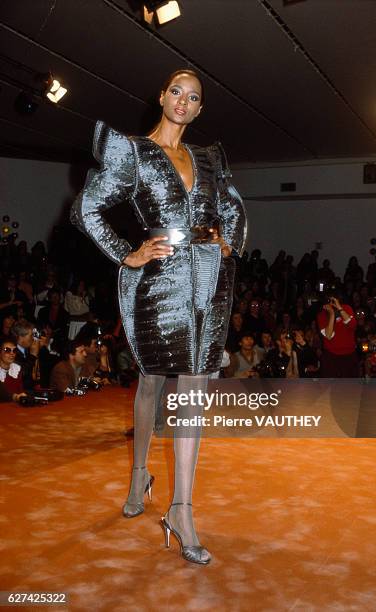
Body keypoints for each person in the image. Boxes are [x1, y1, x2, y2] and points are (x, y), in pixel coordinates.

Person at [71, 69, 247, 565]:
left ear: (199, 109)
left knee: (194, 389)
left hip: (208, 283)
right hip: (158, 284)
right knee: (151, 381)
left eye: (193, 97)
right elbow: (87, 209)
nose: (183, 102)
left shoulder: (208, 158)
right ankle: (138, 476)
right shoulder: (133, 152)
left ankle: (182, 509)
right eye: (176, 91)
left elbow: (232, 208)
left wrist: (228, 241)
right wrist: (125, 253)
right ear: (161, 96)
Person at [317, 295, 358, 377]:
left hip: (349, 355)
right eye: (328, 301)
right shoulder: (321, 315)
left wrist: (340, 308)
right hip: (331, 356)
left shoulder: (347, 308)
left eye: (333, 300)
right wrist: (331, 314)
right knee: (330, 386)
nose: (331, 303)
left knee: (350, 386)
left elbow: (352, 325)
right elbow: (328, 335)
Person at [0, 337, 27, 402]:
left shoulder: (17, 368)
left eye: (14, 350)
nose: (12, 353)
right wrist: (16, 397)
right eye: (7, 350)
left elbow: (21, 391)